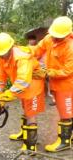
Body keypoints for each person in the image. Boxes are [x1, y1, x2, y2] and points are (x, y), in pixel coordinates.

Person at [0, 32, 46, 152]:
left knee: (31, 114)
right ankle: (24, 134)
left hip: (33, 84)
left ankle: (30, 146)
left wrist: (8, 95)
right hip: (21, 85)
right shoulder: (0, 57)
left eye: (3, 52)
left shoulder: (22, 57)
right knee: (25, 109)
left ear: (11, 47)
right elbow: (0, 80)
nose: (1, 55)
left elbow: (23, 81)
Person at [30, 16, 73, 152]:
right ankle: (69, 136)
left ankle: (65, 141)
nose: (54, 38)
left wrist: (48, 73)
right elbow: (37, 50)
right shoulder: (49, 38)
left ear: (66, 35)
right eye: (53, 35)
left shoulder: (70, 47)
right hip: (55, 82)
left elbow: (68, 70)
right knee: (66, 110)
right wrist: (25, 54)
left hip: (67, 84)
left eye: (58, 36)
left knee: (65, 112)